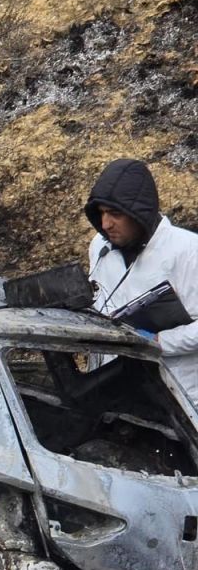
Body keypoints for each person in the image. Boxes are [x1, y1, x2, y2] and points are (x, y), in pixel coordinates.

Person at [85, 158, 198, 402]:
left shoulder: (189, 251)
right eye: (101, 213)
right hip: (116, 392)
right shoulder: (99, 246)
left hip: (181, 399)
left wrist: (159, 342)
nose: (106, 224)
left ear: (139, 214)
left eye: (115, 213)